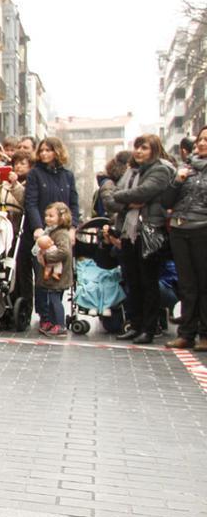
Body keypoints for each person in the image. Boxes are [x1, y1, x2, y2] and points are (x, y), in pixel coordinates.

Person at [102, 135, 173, 344]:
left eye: (144, 148)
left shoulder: (161, 169)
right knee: (132, 280)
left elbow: (144, 192)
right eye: (137, 147)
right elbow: (111, 201)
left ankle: (149, 328)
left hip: (149, 232)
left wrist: (120, 196)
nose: (139, 151)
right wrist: (126, 202)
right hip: (127, 232)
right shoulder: (130, 171)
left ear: (154, 150)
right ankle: (135, 325)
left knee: (148, 281)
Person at [24, 137, 80, 333]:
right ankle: (45, 316)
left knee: (60, 275)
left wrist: (73, 227)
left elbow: (74, 203)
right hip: (44, 231)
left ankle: (58, 317)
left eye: (49, 150)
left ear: (57, 151)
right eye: (42, 150)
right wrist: (37, 228)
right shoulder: (35, 174)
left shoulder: (68, 176)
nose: (44, 154)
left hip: (62, 231)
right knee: (42, 275)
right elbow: (30, 202)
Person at [164, 127, 207, 350]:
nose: (201, 144)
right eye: (200, 139)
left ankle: (204, 334)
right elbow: (167, 201)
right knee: (187, 285)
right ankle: (186, 334)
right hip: (180, 230)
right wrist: (177, 181)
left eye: (206, 140)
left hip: (203, 230)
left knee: (204, 285)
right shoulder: (185, 168)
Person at [34, 202, 75, 336]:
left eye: (51, 216)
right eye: (46, 215)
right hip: (51, 274)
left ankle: (60, 324)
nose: (47, 218)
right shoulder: (51, 231)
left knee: (54, 299)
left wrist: (47, 256)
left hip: (59, 273)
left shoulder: (61, 234)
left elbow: (64, 252)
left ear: (61, 217)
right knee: (51, 298)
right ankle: (52, 322)